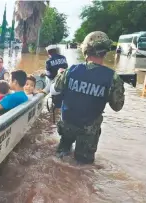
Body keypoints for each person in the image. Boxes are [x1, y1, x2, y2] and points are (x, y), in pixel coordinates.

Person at [50, 31, 125, 164]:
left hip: (67, 125)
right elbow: (117, 106)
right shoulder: (112, 78)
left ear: (85, 49)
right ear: (105, 52)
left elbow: (55, 90)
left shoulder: (70, 70)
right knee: (83, 167)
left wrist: (59, 75)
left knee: (60, 158)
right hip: (89, 131)